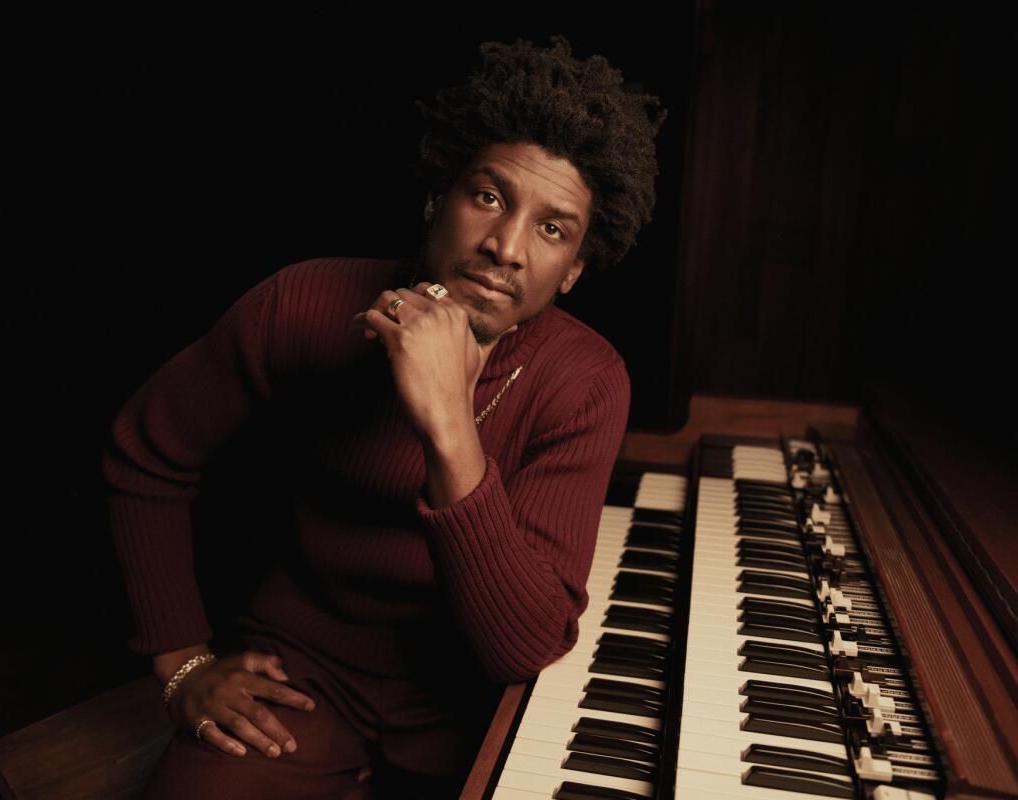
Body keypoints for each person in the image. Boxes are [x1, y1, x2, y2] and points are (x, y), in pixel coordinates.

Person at [104, 37, 664, 799]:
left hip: (472, 704)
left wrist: (449, 426)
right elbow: (147, 452)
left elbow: (523, 646)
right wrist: (183, 664)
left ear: (572, 273)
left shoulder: (585, 383)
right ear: (439, 198)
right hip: (303, 679)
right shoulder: (302, 306)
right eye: (490, 197)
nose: (505, 247)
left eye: (552, 229)